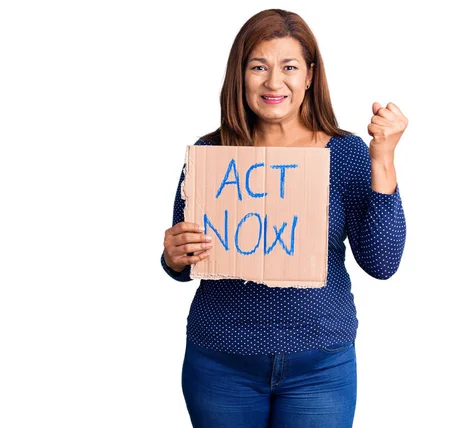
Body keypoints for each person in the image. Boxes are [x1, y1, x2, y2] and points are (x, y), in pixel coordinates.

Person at [161, 8, 407, 428]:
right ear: (240, 75)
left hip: (319, 365)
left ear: (309, 75)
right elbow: (182, 267)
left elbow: (382, 263)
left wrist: (382, 159)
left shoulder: (344, 155)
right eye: (259, 66)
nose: (274, 82)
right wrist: (172, 256)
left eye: (288, 67)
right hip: (221, 362)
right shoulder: (211, 155)